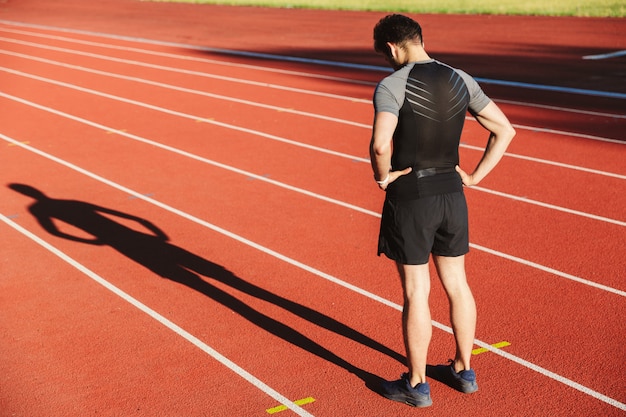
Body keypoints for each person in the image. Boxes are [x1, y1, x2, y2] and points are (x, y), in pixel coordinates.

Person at [369, 14, 515, 407]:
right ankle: (464, 369)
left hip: (412, 197)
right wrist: (476, 176)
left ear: (392, 48)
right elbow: (504, 129)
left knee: (417, 291)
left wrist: (383, 178)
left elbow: (381, 146)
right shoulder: (460, 78)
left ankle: (416, 384)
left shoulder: (392, 84)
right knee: (457, 284)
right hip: (453, 195)